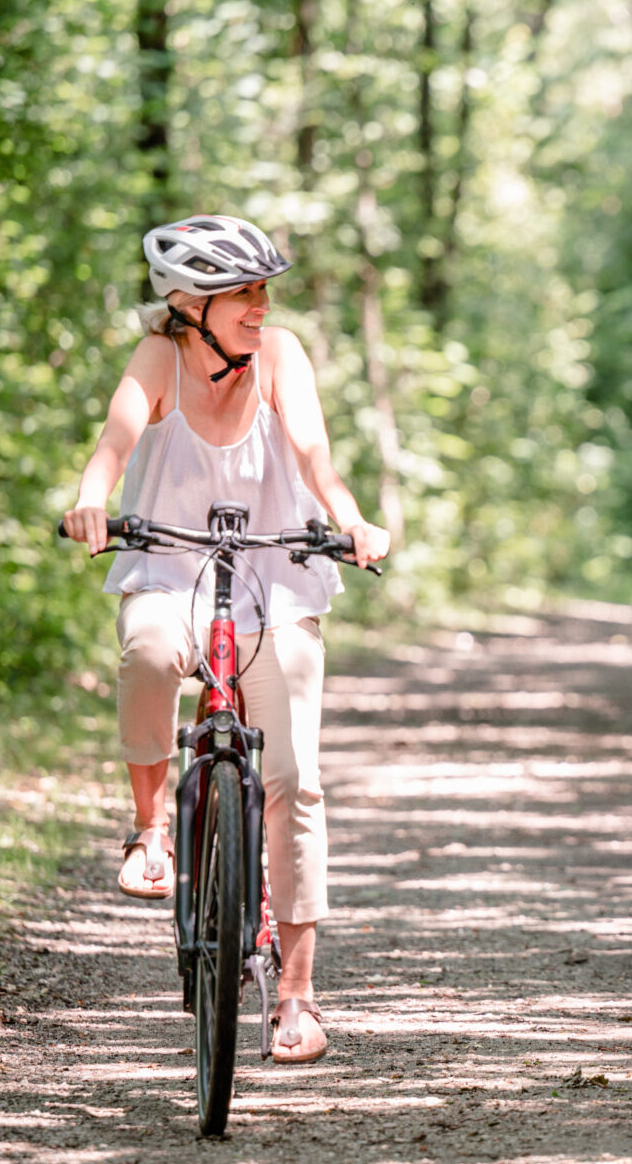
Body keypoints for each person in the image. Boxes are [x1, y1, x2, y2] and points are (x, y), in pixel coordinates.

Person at [61, 215, 389, 1065]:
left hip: (278, 576)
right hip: (171, 569)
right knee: (148, 652)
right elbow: (114, 441)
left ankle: (298, 994)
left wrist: (348, 518)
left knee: (293, 780)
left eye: (261, 290)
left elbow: (316, 455)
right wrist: (93, 497)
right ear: (190, 303)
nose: (261, 304)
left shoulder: (280, 357)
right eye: (244, 292)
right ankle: (149, 829)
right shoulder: (157, 361)